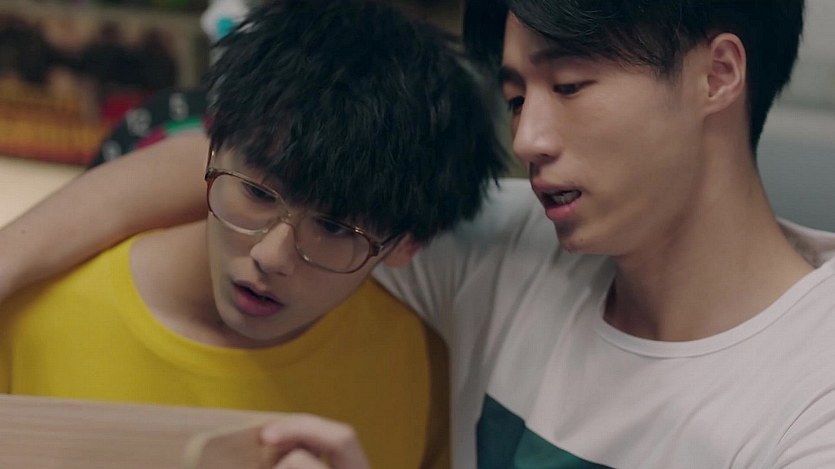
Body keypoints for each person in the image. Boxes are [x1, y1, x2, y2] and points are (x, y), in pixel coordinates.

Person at [3, 0, 835, 467]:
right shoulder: (515, 248)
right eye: (515, 98)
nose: (526, 139)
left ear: (716, 74)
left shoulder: (811, 392)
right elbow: (264, 161)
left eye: (569, 86)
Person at [0, 0, 507, 468]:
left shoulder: (417, 365)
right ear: (212, 150)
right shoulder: (31, 317)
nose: (271, 254)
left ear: (407, 244)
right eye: (257, 192)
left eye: (332, 226)